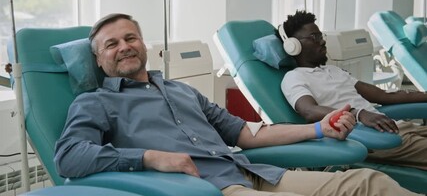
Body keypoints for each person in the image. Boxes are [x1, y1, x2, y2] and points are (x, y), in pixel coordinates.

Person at [54, 13, 420, 196]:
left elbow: (244, 133)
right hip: (209, 189)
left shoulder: (182, 91)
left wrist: (319, 128)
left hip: (254, 173)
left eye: (130, 37)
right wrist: (149, 157)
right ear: (99, 61)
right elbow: (69, 156)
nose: (124, 47)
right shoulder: (96, 101)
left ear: (144, 44)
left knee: (367, 181)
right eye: (111, 45)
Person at [280, 10, 427, 172]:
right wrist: (358, 114)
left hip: (394, 127)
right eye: (314, 37)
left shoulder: (333, 70)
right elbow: (309, 110)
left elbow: (383, 96)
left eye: (321, 36)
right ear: (293, 46)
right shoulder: (294, 77)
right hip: (369, 137)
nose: (322, 42)